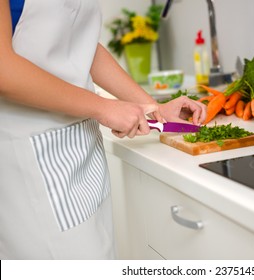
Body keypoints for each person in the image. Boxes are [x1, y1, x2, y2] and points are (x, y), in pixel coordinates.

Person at [0, 0, 206, 259]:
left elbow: (82, 46)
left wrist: (154, 109)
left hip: (83, 151)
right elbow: (3, 69)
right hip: (28, 159)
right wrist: (103, 107)